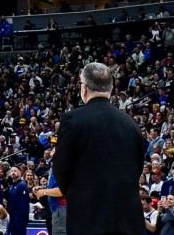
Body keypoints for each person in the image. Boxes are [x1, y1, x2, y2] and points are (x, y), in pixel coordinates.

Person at [53, 63, 147, 235]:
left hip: (88, 216)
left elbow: (61, 168)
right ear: (111, 88)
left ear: (84, 88)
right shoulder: (130, 123)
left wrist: (80, 194)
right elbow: (138, 167)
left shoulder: (72, 120)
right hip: (128, 217)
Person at [4, 167, 28, 235]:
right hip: (12, 216)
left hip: (20, 218)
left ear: (20, 173)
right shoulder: (12, 186)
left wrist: (19, 217)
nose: (13, 172)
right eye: (11, 171)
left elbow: (23, 203)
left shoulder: (22, 185)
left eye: (15, 171)